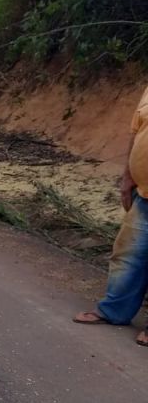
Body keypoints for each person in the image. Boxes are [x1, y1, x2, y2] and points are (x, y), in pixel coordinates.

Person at [73, 84, 148, 346]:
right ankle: (113, 311)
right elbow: (137, 132)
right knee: (127, 255)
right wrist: (128, 176)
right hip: (144, 193)